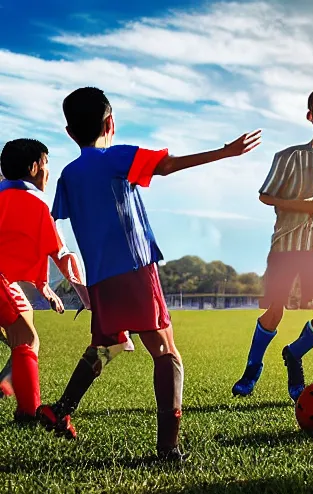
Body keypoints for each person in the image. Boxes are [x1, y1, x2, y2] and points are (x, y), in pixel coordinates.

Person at [37, 86, 261, 461]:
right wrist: (225, 152)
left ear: (69, 133)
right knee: (167, 353)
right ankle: (168, 448)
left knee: (106, 346)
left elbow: (59, 221)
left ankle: (60, 410)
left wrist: (74, 277)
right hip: (135, 269)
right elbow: (168, 164)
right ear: (111, 122)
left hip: (102, 278)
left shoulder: (68, 175)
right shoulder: (116, 158)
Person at [232, 83, 313, 402]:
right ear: (310, 116)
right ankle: (252, 369)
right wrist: (308, 204)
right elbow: (265, 195)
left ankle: (294, 355)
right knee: (274, 313)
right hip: (286, 246)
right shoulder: (288, 157)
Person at [0, 138, 89, 422]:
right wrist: (87, 296)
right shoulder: (36, 204)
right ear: (36, 166)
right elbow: (61, 254)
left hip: (6, 282)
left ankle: (9, 389)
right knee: (27, 340)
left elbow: (17, 248)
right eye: (47, 164)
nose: (49, 172)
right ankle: (28, 412)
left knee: (23, 319)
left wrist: (42, 286)